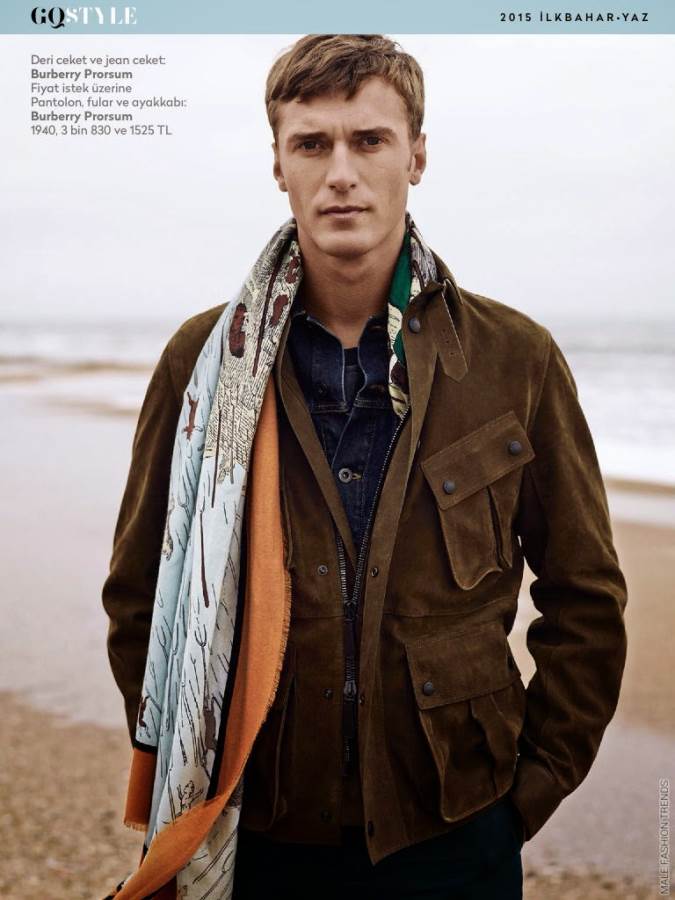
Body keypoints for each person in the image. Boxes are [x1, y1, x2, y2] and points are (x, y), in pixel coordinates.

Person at [102, 34, 628, 900]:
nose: (340, 173)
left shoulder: (514, 359)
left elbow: (585, 596)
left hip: (455, 831)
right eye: (311, 144)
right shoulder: (202, 362)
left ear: (415, 156)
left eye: (369, 140)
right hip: (259, 831)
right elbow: (139, 597)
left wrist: (528, 792)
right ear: (278, 164)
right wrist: (192, 774)